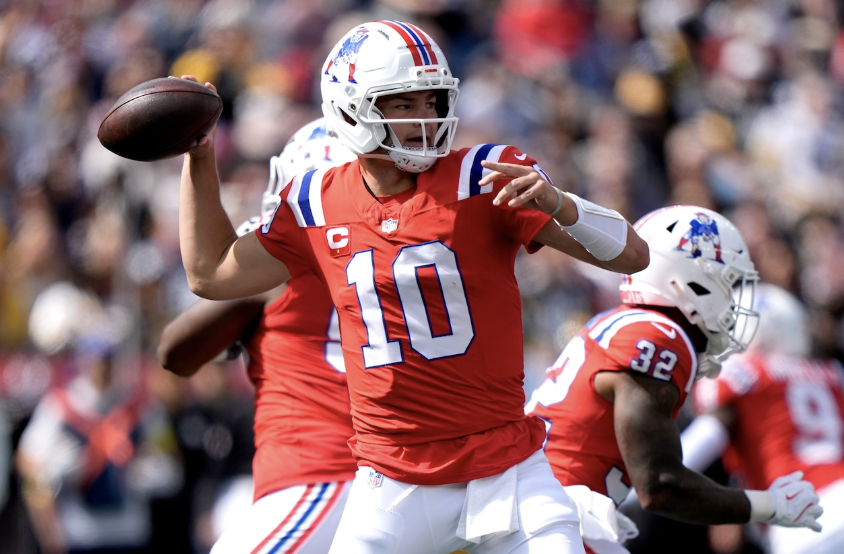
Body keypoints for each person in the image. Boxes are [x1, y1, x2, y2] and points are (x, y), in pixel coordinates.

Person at [178, 19, 649, 553]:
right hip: (390, 486)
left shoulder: (484, 175)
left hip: (507, 472)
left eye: (432, 100)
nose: (426, 117)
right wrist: (200, 157)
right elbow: (210, 274)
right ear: (351, 108)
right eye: (403, 104)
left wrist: (562, 203)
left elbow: (633, 255)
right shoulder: (313, 201)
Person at [526, 206, 823, 554]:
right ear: (683, 279)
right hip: (551, 521)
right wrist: (772, 505)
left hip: (547, 507)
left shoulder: (620, 322)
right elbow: (660, 485)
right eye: (725, 282)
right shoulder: (659, 336)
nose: (731, 302)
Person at [158, 117, 358, 554]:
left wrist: (243, 300)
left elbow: (175, 352)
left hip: (320, 472)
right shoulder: (402, 245)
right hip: (387, 480)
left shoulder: (279, 266)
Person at [684, 283, 844, 554]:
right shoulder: (831, 373)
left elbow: (695, 448)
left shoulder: (742, 374)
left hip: (805, 523)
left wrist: (633, 486)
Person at [16, 334, 182, 554]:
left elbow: (174, 459)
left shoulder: (141, 408)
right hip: (81, 533)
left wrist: (160, 473)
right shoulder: (59, 407)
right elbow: (26, 461)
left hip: (129, 532)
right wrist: (49, 477)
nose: (102, 368)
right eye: (96, 360)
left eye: (108, 360)